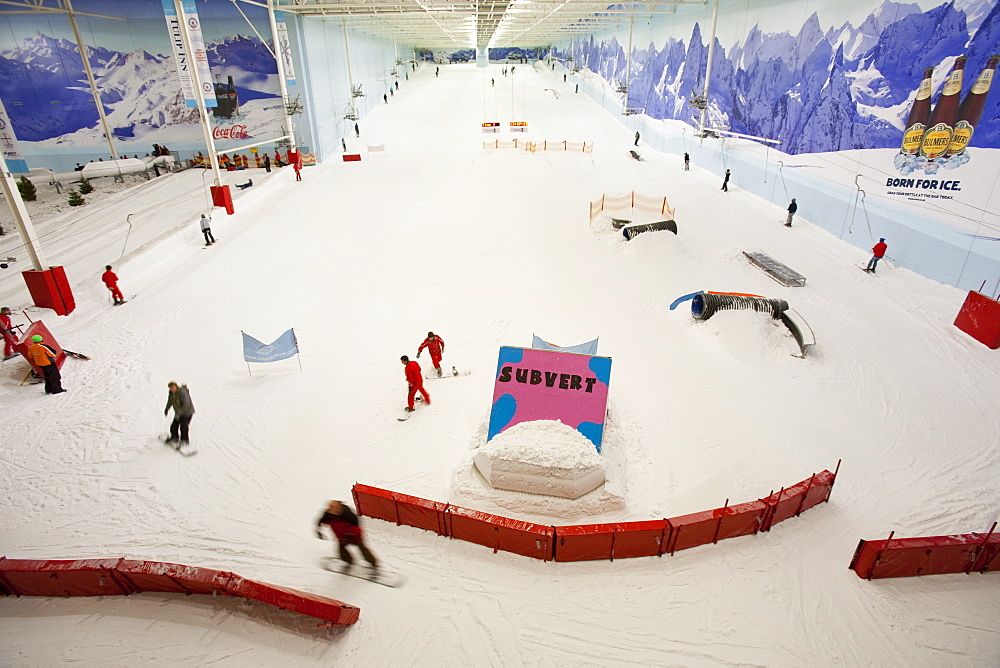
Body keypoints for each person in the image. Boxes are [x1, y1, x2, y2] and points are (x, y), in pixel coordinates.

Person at [316, 500, 379, 571]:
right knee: (342, 552)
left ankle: (373, 564)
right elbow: (320, 521)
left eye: (336, 508)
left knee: (362, 549)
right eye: (332, 508)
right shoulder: (328, 515)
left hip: (354, 535)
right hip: (342, 536)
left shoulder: (347, 513)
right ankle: (349, 561)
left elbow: (356, 524)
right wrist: (318, 531)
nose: (335, 510)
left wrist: (350, 534)